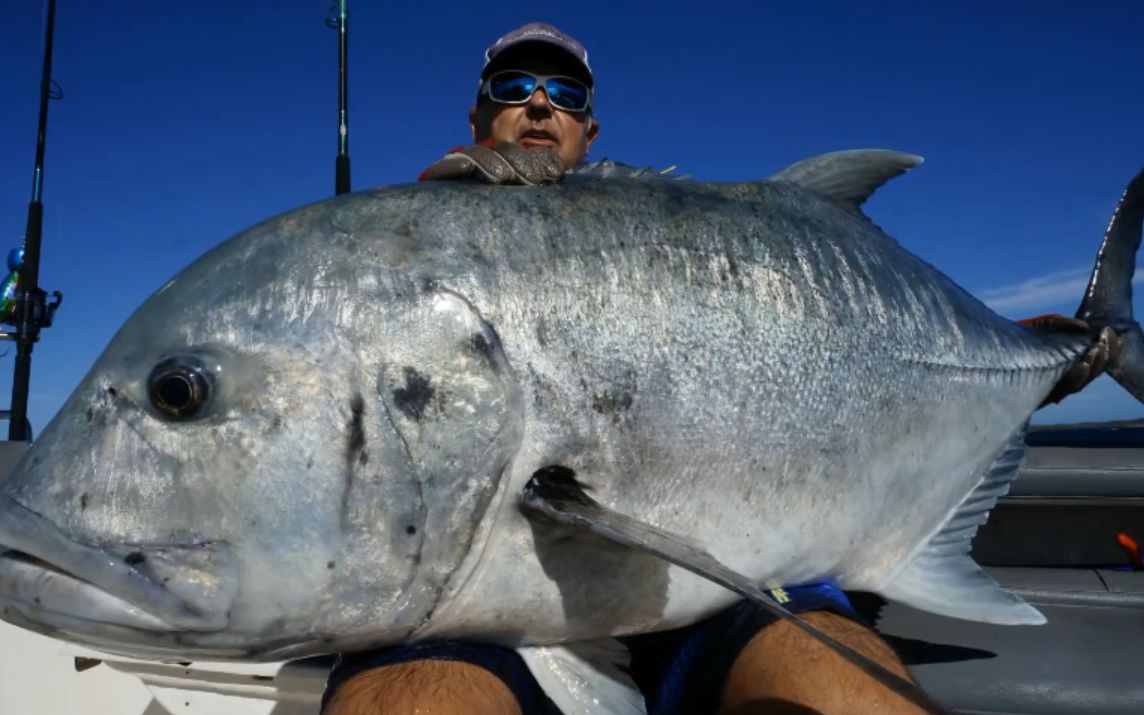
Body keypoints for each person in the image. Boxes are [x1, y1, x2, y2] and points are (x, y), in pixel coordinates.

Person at [322, 22, 1120, 715]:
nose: (539, 103)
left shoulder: (691, 244)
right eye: (513, 84)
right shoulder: (394, 259)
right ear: (478, 114)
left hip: (735, 576)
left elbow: (843, 356)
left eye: (563, 90)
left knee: (837, 687)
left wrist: (1035, 358)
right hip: (461, 599)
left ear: (589, 131)